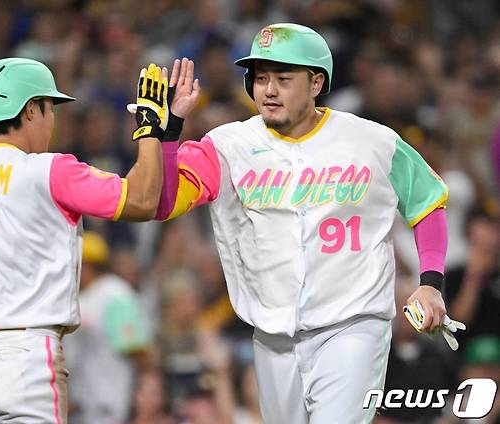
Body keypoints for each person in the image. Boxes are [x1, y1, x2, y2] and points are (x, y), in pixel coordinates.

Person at [154, 24, 462, 422]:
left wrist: (431, 283)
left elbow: (427, 203)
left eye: (283, 78)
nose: (268, 89)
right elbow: (165, 201)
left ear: (316, 82)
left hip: (352, 324)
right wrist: (167, 134)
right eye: (260, 77)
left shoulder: (372, 141)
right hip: (271, 334)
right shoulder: (226, 145)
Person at [0, 57, 173, 423]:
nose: (52, 120)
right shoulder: (51, 171)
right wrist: (150, 129)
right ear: (29, 110)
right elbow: (142, 200)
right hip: (23, 360)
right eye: (49, 108)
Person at [64, 231, 151, 424]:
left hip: (109, 404)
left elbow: (138, 352)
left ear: (87, 264)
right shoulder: (77, 298)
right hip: (79, 406)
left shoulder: (114, 294)